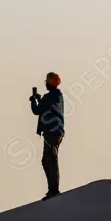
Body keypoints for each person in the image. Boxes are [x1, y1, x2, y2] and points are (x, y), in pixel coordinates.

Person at [29, 72, 65, 200]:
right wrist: (40, 99)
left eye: (46, 82)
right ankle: (52, 189)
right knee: (47, 160)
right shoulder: (58, 96)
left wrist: (34, 101)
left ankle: (54, 190)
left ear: (49, 83)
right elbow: (48, 106)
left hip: (51, 132)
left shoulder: (49, 97)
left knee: (50, 160)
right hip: (57, 131)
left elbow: (37, 111)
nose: (46, 85)